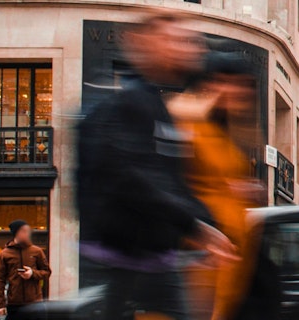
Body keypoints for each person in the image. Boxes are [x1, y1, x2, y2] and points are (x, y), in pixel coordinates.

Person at [75, 10, 237, 320]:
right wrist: (197, 227)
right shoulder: (129, 102)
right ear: (145, 44)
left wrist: (207, 225)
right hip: (118, 261)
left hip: (153, 259)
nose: (189, 48)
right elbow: (135, 178)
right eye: (175, 40)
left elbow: (174, 182)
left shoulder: (156, 105)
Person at [173, 54, 265, 320]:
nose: (241, 92)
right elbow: (175, 183)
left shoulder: (228, 130)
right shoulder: (190, 122)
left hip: (227, 258)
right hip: (202, 254)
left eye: (246, 86)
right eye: (233, 84)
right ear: (215, 83)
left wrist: (243, 189)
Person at [0, 220, 51, 317]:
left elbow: (47, 272)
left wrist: (32, 273)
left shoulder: (36, 251)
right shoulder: (5, 254)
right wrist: (0, 305)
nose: (27, 234)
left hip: (35, 303)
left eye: (28, 231)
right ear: (16, 233)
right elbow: (0, 281)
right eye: (23, 231)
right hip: (14, 304)